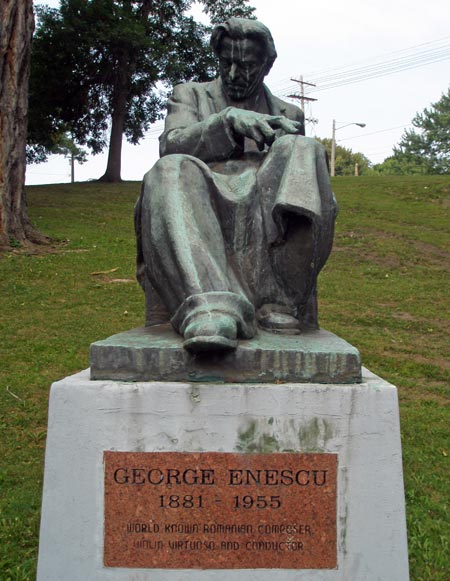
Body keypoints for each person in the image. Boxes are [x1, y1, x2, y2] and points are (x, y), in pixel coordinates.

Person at [135, 17, 337, 353]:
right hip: (199, 192)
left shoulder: (288, 112)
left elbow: (294, 180)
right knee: (170, 169)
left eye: (246, 66)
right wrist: (226, 121)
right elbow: (171, 145)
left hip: (262, 203)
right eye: (226, 62)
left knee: (305, 150)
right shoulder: (190, 96)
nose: (233, 75)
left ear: (267, 65)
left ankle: (281, 300)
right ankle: (210, 310)